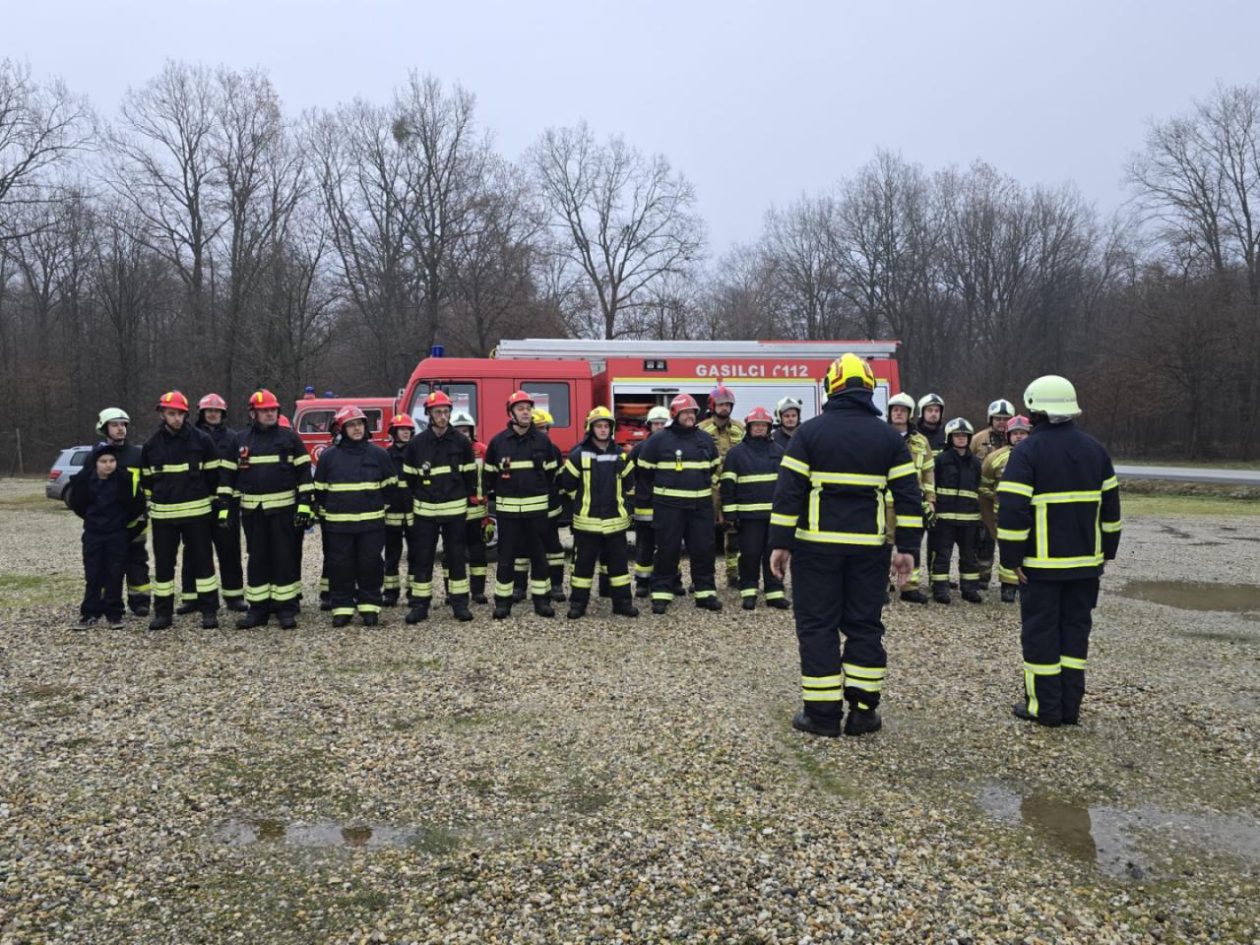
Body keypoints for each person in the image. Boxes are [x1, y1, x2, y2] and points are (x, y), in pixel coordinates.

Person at [770, 353, 923, 738]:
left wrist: (779, 544)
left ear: (831, 388)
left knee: (818, 626)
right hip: (868, 550)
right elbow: (908, 496)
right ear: (869, 388)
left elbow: (788, 494)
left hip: (815, 549)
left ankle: (821, 716)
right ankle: (863, 712)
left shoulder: (808, 434)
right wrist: (908, 548)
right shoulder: (889, 436)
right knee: (864, 626)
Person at [998, 376, 1121, 727]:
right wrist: (1107, 551)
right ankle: (1070, 708)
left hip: (1040, 566)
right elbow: (1111, 509)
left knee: (1041, 636)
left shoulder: (1027, 452)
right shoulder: (1096, 450)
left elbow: (1012, 511)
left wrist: (1011, 559)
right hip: (1086, 566)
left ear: (1035, 410)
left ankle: (1044, 708)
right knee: (1075, 634)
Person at [221, 389, 312, 630]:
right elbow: (228, 476)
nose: (270, 413)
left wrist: (304, 505)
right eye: (265, 411)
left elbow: (304, 474)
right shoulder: (239, 440)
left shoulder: (290, 438)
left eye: (273, 410)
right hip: (253, 513)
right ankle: (258, 609)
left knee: (284, 559)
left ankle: (286, 609)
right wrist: (225, 509)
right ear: (253, 414)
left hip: (284, 511)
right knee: (257, 560)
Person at [141, 391, 222, 631]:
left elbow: (213, 477)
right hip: (164, 517)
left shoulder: (202, 440)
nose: (176, 418)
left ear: (187, 415)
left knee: (204, 564)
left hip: (197, 514)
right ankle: (163, 613)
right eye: (171, 413)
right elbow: (147, 483)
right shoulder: (151, 446)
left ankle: (209, 612)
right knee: (164, 567)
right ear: (162, 414)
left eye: (180, 414)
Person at [638, 393, 722, 614]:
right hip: (669, 507)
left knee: (703, 549)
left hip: (700, 507)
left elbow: (714, 467)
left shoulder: (704, 439)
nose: (690, 416)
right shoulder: (658, 440)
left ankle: (705, 593)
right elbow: (644, 472)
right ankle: (661, 595)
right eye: (685, 413)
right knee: (667, 550)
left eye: (693, 412)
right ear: (675, 414)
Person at [313, 406, 394, 627]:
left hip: (371, 524)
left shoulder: (379, 454)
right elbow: (319, 490)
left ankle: (370, 607)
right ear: (341, 428)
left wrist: (379, 508)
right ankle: (342, 608)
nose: (357, 428)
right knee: (341, 565)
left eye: (359, 424)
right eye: (351, 425)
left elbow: (390, 487)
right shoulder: (329, 457)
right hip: (339, 525)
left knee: (370, 563)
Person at [401, 391, 476, 624]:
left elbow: (469, 477)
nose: (443, 416)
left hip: (454, 511)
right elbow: (409, 481)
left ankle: (460, 604)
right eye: (438, 412)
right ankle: (420, 606)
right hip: (425, 513)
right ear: (429, 415)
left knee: (456, 558)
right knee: (422, 559)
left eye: (446, 411)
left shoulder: (462, 442)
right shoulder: (416, 444)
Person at [558, 406, 639, 620]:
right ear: (590, 428)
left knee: (619, 567)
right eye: (599, 426)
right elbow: (567, 484)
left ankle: (622, 604)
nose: (603, 430)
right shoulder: (578, 455)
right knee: (582, 568)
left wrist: (625, 506)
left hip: (615, 523)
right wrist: (585, 500)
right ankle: (578, 605)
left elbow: (630, 485)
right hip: (587, 523)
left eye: (606, 426)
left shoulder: (621, 456)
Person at [484, 391, 558, 619]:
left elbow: (552, 476)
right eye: (520, 408)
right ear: (511, 413)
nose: (526, 412)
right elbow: (488, 478)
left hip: (536, 512)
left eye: (528, 408)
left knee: (539, 556)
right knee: (506, 557)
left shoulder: (543, 441)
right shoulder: (498, 443)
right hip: (508, 514)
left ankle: (542, 601)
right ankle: (503, 603)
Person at [67, 442, 146, 631]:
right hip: (93, 534)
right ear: (95, 463)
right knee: (93, 574)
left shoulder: (125, 480)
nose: (108, 464)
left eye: (112, 460)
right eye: (103, 461)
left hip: (117, 534)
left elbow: (137, 505)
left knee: (115, 574)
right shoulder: (83, 480)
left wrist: (122, 523)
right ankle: (89, 613)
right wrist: (93, 519)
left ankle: (114, 614)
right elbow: (78, 504)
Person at [178, 393, 246, 614]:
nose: (214, 414)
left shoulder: (234, 438)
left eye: (217, 411)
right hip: (198, 501)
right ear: (202, 413)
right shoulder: (190, 437)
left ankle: (234, 596)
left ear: (223, 414)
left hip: (228, 501)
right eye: (210, 411)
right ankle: (191, 597)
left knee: (230, 550)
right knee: (194, 551)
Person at [720, 406, 788, 611]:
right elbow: (728, 485)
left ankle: (774, 593)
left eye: (763, 425)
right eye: (756, 425)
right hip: (748, 516)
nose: (759, 428)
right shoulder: (736, 454)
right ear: (748, 427)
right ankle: (749, 592)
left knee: (772, 553)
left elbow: (787, 485)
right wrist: (730, 514)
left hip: (774, 515)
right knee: (749, 554)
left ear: (768, 428)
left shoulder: (778, 452)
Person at [95, 407, 150, 616]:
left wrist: (145, 511)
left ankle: (140, 601)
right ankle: (108, 603)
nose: (120, 429)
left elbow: (148, 483)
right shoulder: (98, 455)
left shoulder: (137, 454)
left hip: (135, 520)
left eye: (123, 425)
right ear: (104, 428)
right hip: (108, 522)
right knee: (107, 563)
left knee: (137, 561)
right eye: (115, 425)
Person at [884, 392, 935, 605]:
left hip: (912, 502)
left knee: (912, 544)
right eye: (895, 409)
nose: (898, 413)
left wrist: (931, 498)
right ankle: (881, 586)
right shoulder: (881, 436)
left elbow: (929, 471)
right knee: (882, 546)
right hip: (884, 502)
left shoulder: (921, 442)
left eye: (902, 410)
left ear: (910, 414)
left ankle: (909, 586)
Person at [513, 408, 567, 603]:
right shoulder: (520, 448)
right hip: (526, 510)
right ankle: (519, 588)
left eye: (546, 428)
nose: (543, 432)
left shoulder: (553, 450)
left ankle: (556, 585)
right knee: (522, 550)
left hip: (550, 510)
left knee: (554, 549)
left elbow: (559, 479)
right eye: (540, 428)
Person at [930, 418, 984, 605]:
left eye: (964, 436)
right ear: (949, 438)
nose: (961, 439)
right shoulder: (941, 461)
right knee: (942, 555)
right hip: (945, 518)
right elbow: (933, 485)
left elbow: (979, 488)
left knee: (969, 557)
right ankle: (940, 589)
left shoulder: (976, 463)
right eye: (957, 435)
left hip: (969, 518)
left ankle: (969, 589)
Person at [979, 414, 1031, 603]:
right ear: (1008, 435)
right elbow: (984, 490)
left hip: (1033, 514)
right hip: (1004, 514)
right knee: (1009, 549)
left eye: (1023, 433)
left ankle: (1028, 585)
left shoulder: (1039, 456)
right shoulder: (995, 458)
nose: (1018, 437)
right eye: (1015, 433)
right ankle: (1008, 586)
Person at [698, 384, 745, 585]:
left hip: (734, 489)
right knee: (703, 536)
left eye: (728, 404)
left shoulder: (740, 428)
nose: (725, 408)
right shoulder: (701, 429)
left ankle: (733, 574)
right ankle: (702, 578)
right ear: (712, 405)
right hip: (709, 489)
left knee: (734, 534)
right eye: (721, 404)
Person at [629, 406, 674, 599]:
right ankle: (643, 582)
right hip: (645, 506)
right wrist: (630, 503)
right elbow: (628, 477)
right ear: (649, 426)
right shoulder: (639, 449)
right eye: (656, 423)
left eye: (663, 423)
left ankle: (674, 579)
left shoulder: (675, 448)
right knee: (645, 545)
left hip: (669, 505)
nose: (659, 426)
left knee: (669, 545)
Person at [970, 398, 1014, 587]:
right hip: (984, 498)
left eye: (1005, 419)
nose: (1001, 422)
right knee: (983, 538)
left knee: (1009, 539)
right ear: (990, 419)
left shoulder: (1017, 438)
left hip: (1008, 498)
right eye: (997, 419)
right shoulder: (978, 439)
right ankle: (982, 575)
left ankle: (1010, 578)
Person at [451, 410, 490, 604]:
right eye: (458, 430)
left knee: (478, 553)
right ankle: (453, 593)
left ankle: (478, 592)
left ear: (472, 431)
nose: (462, 434)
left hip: (477, 511)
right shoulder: (446, 451)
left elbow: (491, 477)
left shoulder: (482, 450)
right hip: (453, 512)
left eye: (465, 430)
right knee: (452, 553)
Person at [382, 413, 416, 608]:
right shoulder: (385, 455)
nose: (406, 432)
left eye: (408, 430)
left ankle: (413, 591)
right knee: (392, 555)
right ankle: (391, 592)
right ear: (394, 432)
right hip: (392, 513)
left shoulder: (416, 453)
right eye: (402, 429)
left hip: (413, 512)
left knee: (415, 554)